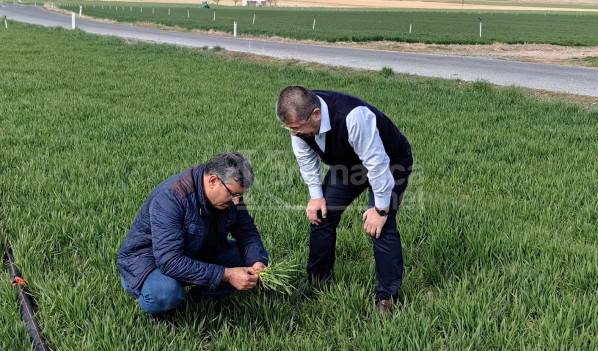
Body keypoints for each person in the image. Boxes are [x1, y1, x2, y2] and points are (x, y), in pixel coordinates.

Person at [275, 86, 413, 313]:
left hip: (389, 161)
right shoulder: (298, 123)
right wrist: (316, 196)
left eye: (296, 128)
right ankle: (318, 281)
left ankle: (387, 297)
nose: (293, 134)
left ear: (316, 114)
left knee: (381, 227)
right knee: (321, 215)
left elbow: (377, 166)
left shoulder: (353, 116)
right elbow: (306, 158)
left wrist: (380, 211)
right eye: (288, 128)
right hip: (348, 165)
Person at [117, 152, 269, 315]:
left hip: (195, 250)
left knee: (254, 256)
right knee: (165, 293)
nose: (236, 202)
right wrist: (227, 274)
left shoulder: (230, 194)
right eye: (232, 194)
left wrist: (256, 262)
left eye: (240, 195)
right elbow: (170, 261)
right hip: (149, 261)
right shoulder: (171, 198)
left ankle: (194, 304)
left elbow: (246, 232)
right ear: (213, 181)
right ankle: (155, 298)